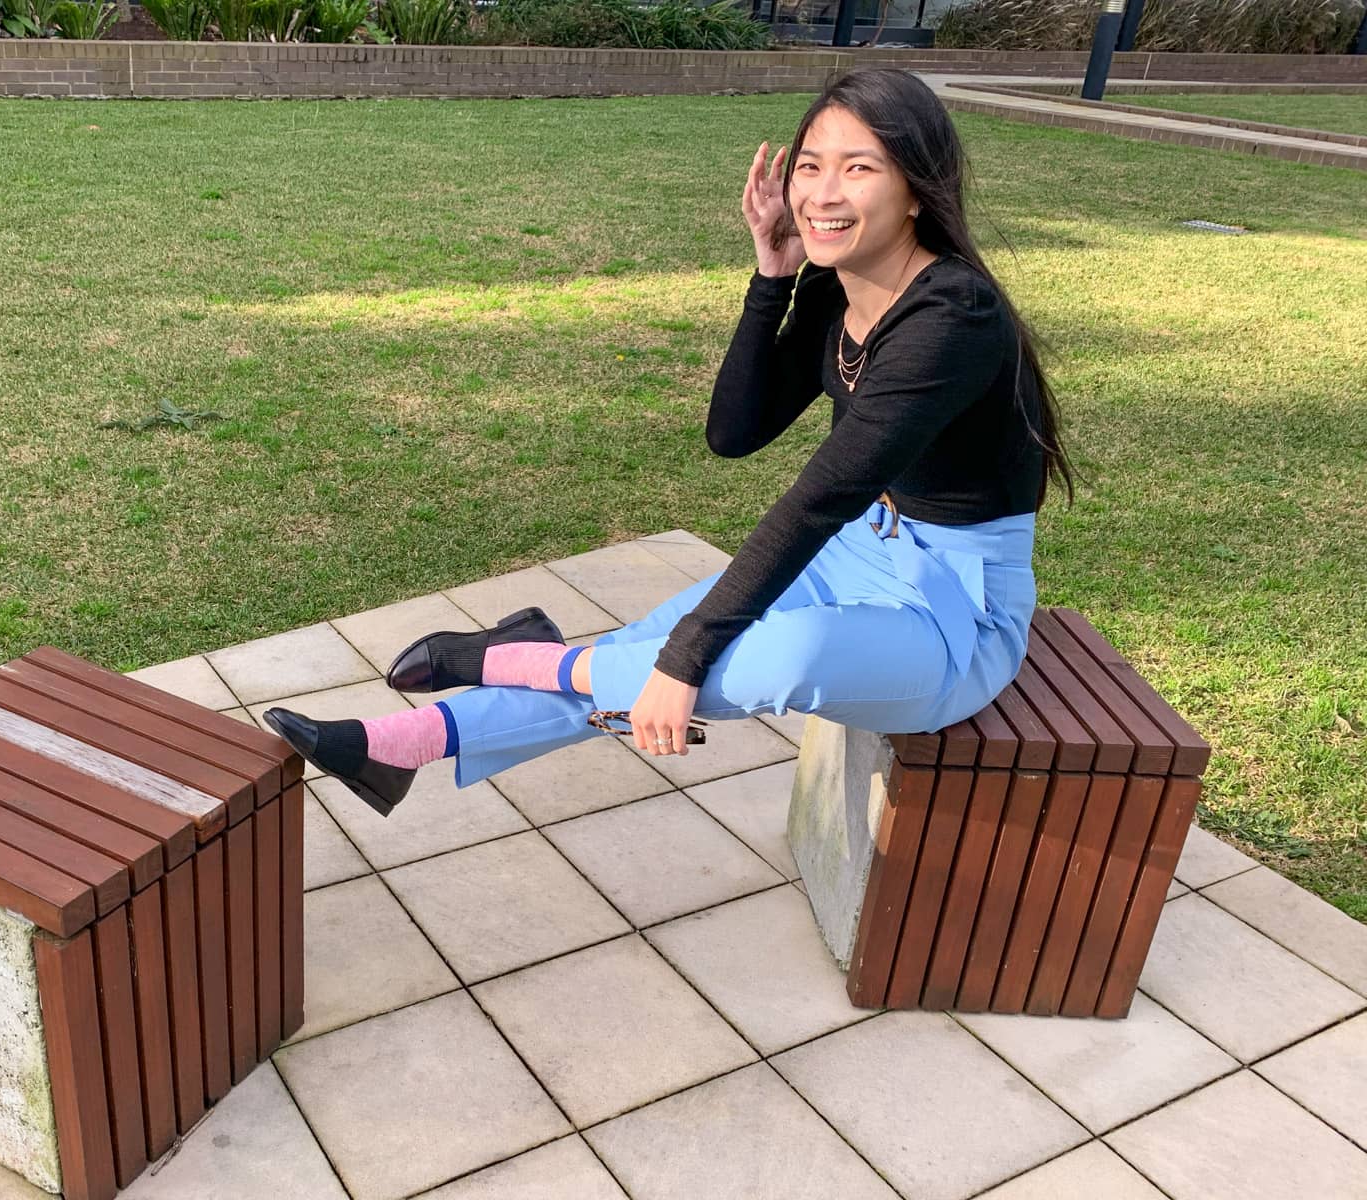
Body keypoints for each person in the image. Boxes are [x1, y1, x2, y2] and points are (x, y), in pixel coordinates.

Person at [264, 68, 1075, 818]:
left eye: (859, 168)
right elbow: (734, 433)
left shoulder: (953, 318)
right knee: (654, 650)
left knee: (761, 660)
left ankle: (521, 662)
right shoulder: (838, 281)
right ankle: (397, 747)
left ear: (915, 191)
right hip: (857, 551)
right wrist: (771, 278)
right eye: (810, 166)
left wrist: (683, 662)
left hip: (954, 609)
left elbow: (819, 498)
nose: (824, 194)